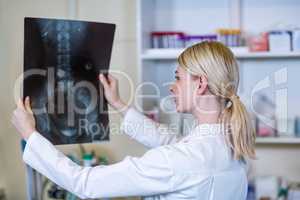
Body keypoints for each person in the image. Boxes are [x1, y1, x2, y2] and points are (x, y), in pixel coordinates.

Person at [12, 41, 256, 200]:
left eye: (178, 78)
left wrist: (31, 135)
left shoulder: (178, 161)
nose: (172, 87)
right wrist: (118, 102)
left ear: (200, 84)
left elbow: (85, 183)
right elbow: (170, 140)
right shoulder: (232, 147)